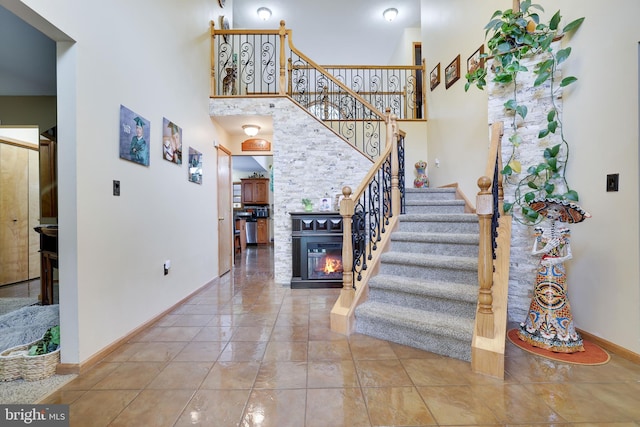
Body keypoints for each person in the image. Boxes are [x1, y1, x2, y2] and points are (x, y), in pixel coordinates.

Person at [517, 197, 591, 353]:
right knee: (540, 295)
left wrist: (556, 259)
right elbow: (534, 252)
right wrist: (547, 248)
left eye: (557, 210)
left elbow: (568, 255)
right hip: (544, 266)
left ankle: (560, 331)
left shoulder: (564, 232)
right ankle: (536, 327)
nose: (553, 212)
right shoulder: (541, 230)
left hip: (557, 268)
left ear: (561, 213)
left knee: (558, 296)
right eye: (550, 209)